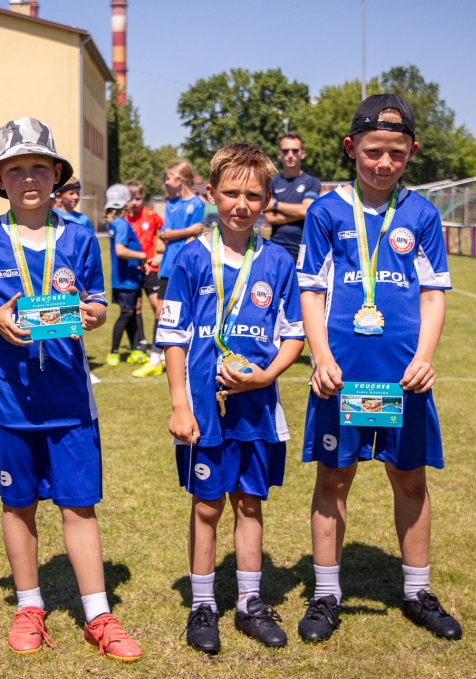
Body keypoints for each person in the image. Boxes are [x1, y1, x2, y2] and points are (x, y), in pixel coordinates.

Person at [0, 118, 142, 662]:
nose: (29, 178)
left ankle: (98, 615)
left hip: (70, 399)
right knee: (19, 505)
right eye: (16, 169)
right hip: (9, 399)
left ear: (57, 174)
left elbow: (98, 305)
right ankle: (29, 606)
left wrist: (93, 315)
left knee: (79, 506)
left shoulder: (80, 236)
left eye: (39, 166)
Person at [296, 94, 461, 643]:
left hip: (402, 377)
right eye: (373, 152)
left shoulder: (421, 214)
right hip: (339, 376)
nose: (384, 163)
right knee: (333, 478)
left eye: (396, 152)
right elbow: (311, 290)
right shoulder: (326, 212)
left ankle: (417, 591)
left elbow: (433, 293)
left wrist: (424, 358)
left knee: (409, 480)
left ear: (412, 151)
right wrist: (321, 357)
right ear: (351, 148)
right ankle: (326, 594)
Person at [158, 143, 304, 654]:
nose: (241, 204)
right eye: (231, 193)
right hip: (204, 410)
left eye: (253, 195)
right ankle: (202, 605)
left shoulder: (278, 261)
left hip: (256, 409)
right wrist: (181, 404)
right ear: (211, 193)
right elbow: (173, 337)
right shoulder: (192, 258)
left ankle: (249, 602)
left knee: (249, 503)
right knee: (206, 506)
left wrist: (267, 376)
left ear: (267, 199)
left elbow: (293, 333)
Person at [133, 160, 204, 378]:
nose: (164, 182)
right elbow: (165, 234)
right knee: (162, 311)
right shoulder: (171, 204)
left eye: (167, 178)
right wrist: (185, 232)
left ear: (179, 179)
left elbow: (193, 238)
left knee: (185, 311)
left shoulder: (197, 204)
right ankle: (157, 358)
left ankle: (177, 357)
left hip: (185, 266)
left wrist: (178, 234)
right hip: (167, 266)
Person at [103, 183, 146, 366]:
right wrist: (142, 255)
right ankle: (113, 352)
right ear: (125, 203)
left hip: (126, 278)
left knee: (131, 312)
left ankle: (136, 349)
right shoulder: (121, 223)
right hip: (126, 279)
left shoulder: (115, 223)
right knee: (127, 314)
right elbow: (120, 250)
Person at [263, 131, 322, 263]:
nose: (290, 155)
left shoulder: (311, 182)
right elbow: (269, 217)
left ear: (303, 153)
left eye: (295, 151)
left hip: (303, 251)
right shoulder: (272, 182)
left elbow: (307, 211)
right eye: (285, 151)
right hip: (276, 250)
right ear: (280, 154)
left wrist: (276, 205)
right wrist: (299, 213)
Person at [124, 179, 163, 364]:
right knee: (135, 307)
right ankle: (140, 343)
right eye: (130, 198)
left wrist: (160, 255)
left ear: (143, 197)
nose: (134, 202)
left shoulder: (151, 216)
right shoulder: (123, 219)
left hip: (151, 268)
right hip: (131, 269)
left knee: (158, 307)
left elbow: (165, 234)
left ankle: (160, 345)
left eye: (138, 198)